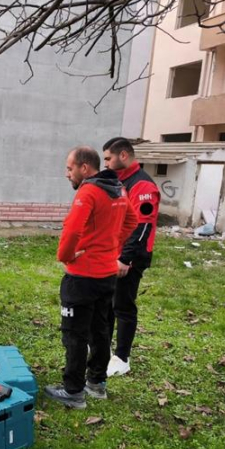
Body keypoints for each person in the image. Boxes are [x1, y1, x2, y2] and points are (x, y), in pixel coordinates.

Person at [43, 146, 137, 409]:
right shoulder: (117, 188)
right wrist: (110, 247)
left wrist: (67, 256)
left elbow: (72, 231)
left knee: (75, 334)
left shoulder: (89, 191)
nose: (67, 174)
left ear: (85, 168)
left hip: (82, 276)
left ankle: (73, 391)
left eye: (69, 168)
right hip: (106, 275)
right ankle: (96, 383)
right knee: (100, 330)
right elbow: (132, 220)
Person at [102, 137, 160, 377]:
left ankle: (122, 357)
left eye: (108, 158)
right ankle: (102, 350)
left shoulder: (143, 186)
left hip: (130, 258)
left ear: (123, 155)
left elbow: (143, 226)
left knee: (123, 306)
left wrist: (126, 258)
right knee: (106, 305)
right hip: (112, 254)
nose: (105, 163)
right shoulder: (117, 181)